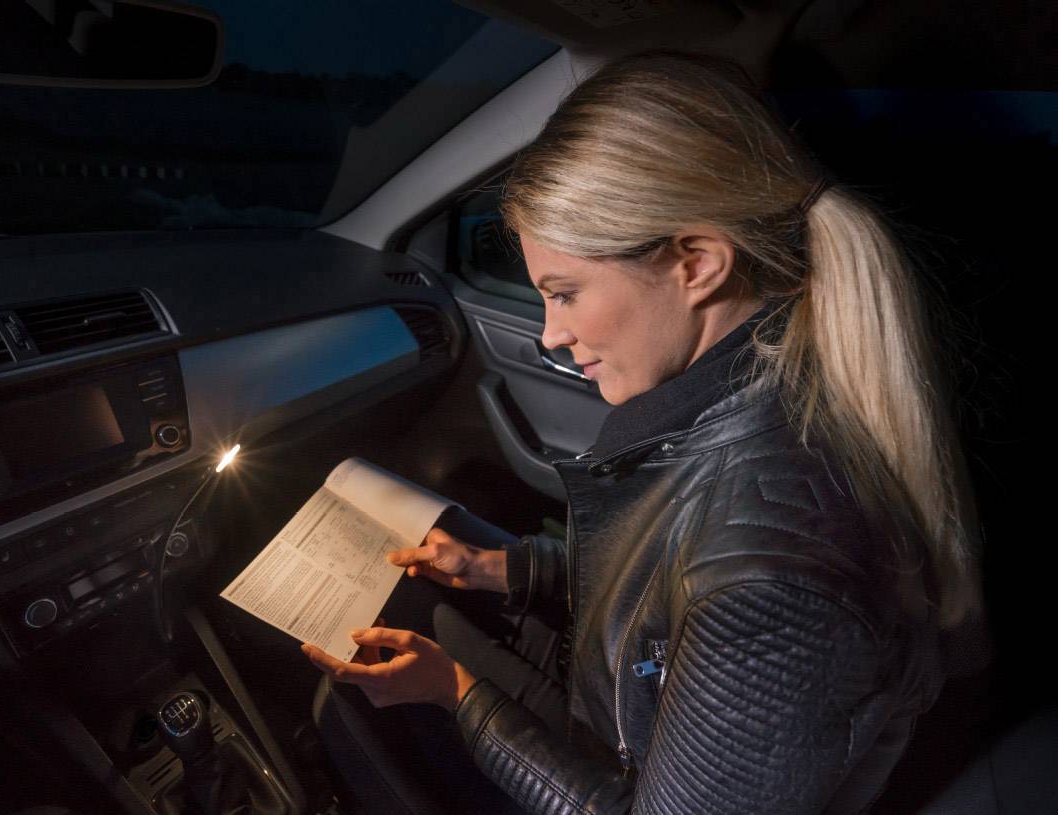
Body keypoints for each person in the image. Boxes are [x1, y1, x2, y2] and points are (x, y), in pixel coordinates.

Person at [302, 49, 993, 814]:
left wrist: (457, 696)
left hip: (624, 771)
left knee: (352, 725)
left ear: (696, 263)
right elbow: (669, 592)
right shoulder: (770, 387)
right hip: (628, 728)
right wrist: (511, 569)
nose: (551, 336)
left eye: (564, 294)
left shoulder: (774, 581)